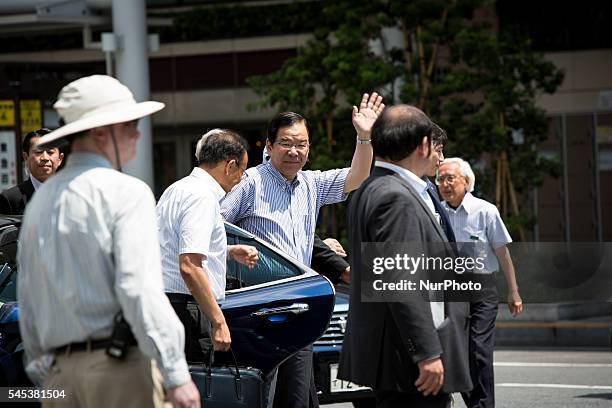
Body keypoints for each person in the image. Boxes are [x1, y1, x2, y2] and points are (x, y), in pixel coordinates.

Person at [17, 75, 199, 408]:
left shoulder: (41, 202)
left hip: (58, 375)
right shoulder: (126, 192)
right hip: (118, 369)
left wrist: (49, 373)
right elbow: (138, 289)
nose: (137, 134)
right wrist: (176, 374)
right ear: (103, 133)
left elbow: (28, 298)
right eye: (129, 125)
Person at [221, 92, 384, 408]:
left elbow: (357, 176)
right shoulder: (250, 182)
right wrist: (234, 253)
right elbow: (214, 226)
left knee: (300, 395)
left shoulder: (311, 184)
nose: (294, 151)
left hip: (301, 304)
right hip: (262, 307)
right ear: (268, 147)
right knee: (275, 395)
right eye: (285, 143)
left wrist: (364, 137)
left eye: (301, 144)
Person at [338, 105, 472, 408]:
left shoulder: (371, 188)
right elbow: (401, 280)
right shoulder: (395, 196)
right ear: (424, 145)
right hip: (406, 358)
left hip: (395, 352)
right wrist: (426, 352)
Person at [157, 128, 258, 362]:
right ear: (230, 165)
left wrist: (228, 252)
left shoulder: (177, 188)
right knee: (195, 393)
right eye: (242, 171)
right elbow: (189, 266)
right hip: (187, 309)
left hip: (170, 305)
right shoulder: (201, 197)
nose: (240, 179)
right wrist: (219, 321)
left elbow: (173, 250)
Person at [437, 157, 523, 408]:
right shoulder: (437, 214)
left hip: (482, 288)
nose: (444, 183)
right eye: (440, 179)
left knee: (479, 351)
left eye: (450, 178)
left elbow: (502, 254)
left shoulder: (486, 211)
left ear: (466, 180)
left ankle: (483, 405)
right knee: (458, 353)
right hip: (453, 289)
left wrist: (514, 291)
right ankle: (474, 402)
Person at [0, 128, 63, 215]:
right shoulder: (10, 199)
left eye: (50, 152)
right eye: (38, 152)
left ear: (60, 158)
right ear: (26, 157)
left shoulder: (71, 194)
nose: (45, 158)